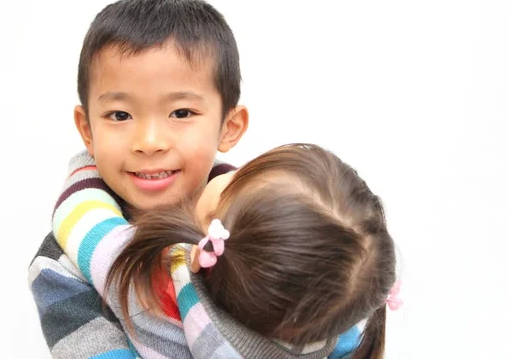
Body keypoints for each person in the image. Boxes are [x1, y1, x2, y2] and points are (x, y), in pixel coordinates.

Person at [28, 0, 248, 358]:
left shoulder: (266, 221)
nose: (148, 142)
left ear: (229, 126)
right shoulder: (61, 266)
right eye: (120, 115)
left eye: (180, 113)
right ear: (87, 130)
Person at [53, 143, 399, 359]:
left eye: (236, 177)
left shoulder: (160, 284)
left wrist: (90, 161)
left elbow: (80, 220)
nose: (225, 173)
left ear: (211, 231)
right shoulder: (323, 320)